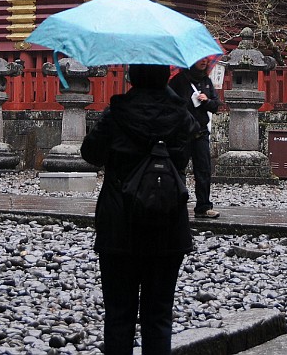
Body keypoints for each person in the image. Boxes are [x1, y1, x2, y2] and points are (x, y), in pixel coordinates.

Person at [80, 63, 199, 355]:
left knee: (119, 313)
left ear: (132, 77)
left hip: (120, 220)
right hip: (167, 218)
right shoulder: (181, 114)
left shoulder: (117, 113)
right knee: (159, 314)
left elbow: (90, 153)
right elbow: (184, 158)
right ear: (164, 76)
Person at [169, 57, 221, 218]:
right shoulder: (179, 81)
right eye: (200, 59)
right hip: (182, 132)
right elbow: (171, 104)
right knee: (178, 169)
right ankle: (177, 204)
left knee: (203, 170)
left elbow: (216, 106)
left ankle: (203, 206)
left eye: (206, 59)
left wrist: (206, 101)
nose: (204, 61)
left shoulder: (206, 81)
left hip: (201, 132)